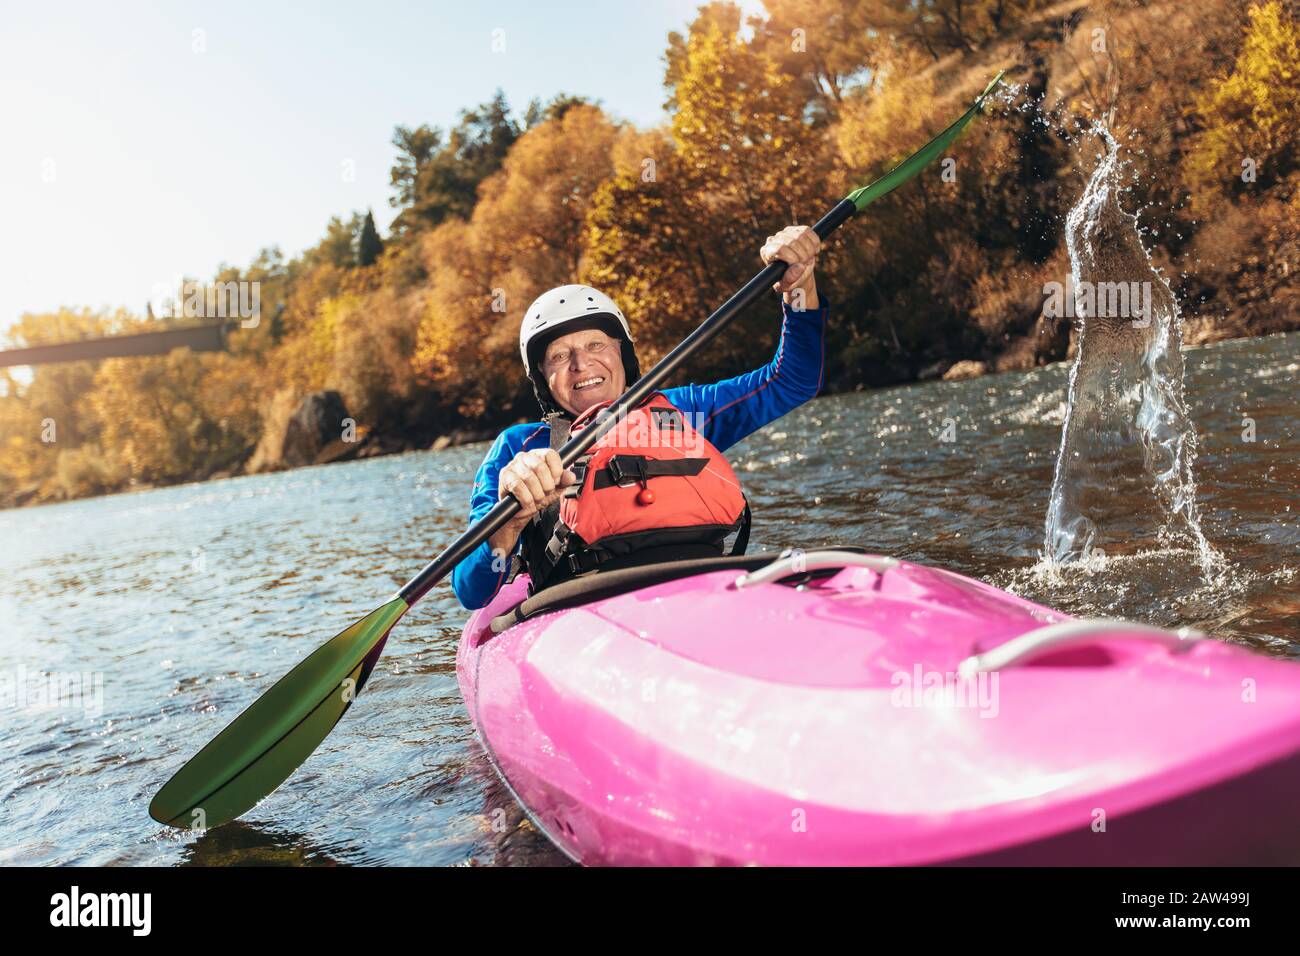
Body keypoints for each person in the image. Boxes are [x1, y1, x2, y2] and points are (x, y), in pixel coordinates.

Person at [452, 225, 826, 610]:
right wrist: (509, 523)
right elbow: (471, 590)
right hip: (587, 611)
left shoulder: (680, 414)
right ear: (544, 381)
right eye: (560, 356)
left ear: (623, 356)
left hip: (703, 589)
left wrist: (800, 287)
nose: (582, 365)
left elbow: (791, 381)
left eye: (595, 344)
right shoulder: (522, 447)